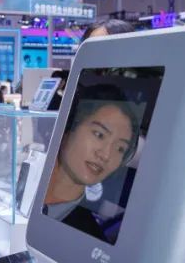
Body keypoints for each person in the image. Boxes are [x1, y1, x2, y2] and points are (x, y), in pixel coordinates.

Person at [43, 88, 139, 240]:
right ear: (68, 128)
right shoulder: (16, 184)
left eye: (120, 149)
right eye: (99, 134)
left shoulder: (90, 238)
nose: (106, 155)